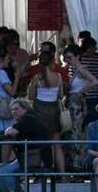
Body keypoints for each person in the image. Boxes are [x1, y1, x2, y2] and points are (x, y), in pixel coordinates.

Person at [26, 43, 67, 172]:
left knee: (41, 144)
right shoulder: (59, 77)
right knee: (57, 144)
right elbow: (61, 96)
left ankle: (43, 172)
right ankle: (62, 174)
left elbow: (31, 96)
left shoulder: (36, 78)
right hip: (54, 111)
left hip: (40, 111)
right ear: (52, 60)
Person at [0, 98, 48, 192]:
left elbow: (10, 132)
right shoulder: (27, 120)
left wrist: (6, 131)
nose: (13, 112)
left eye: (16, 109)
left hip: (35, 159)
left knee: (4, 171)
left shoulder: (28, 120)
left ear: (25, 109)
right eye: (12, 110)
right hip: (27, 157)